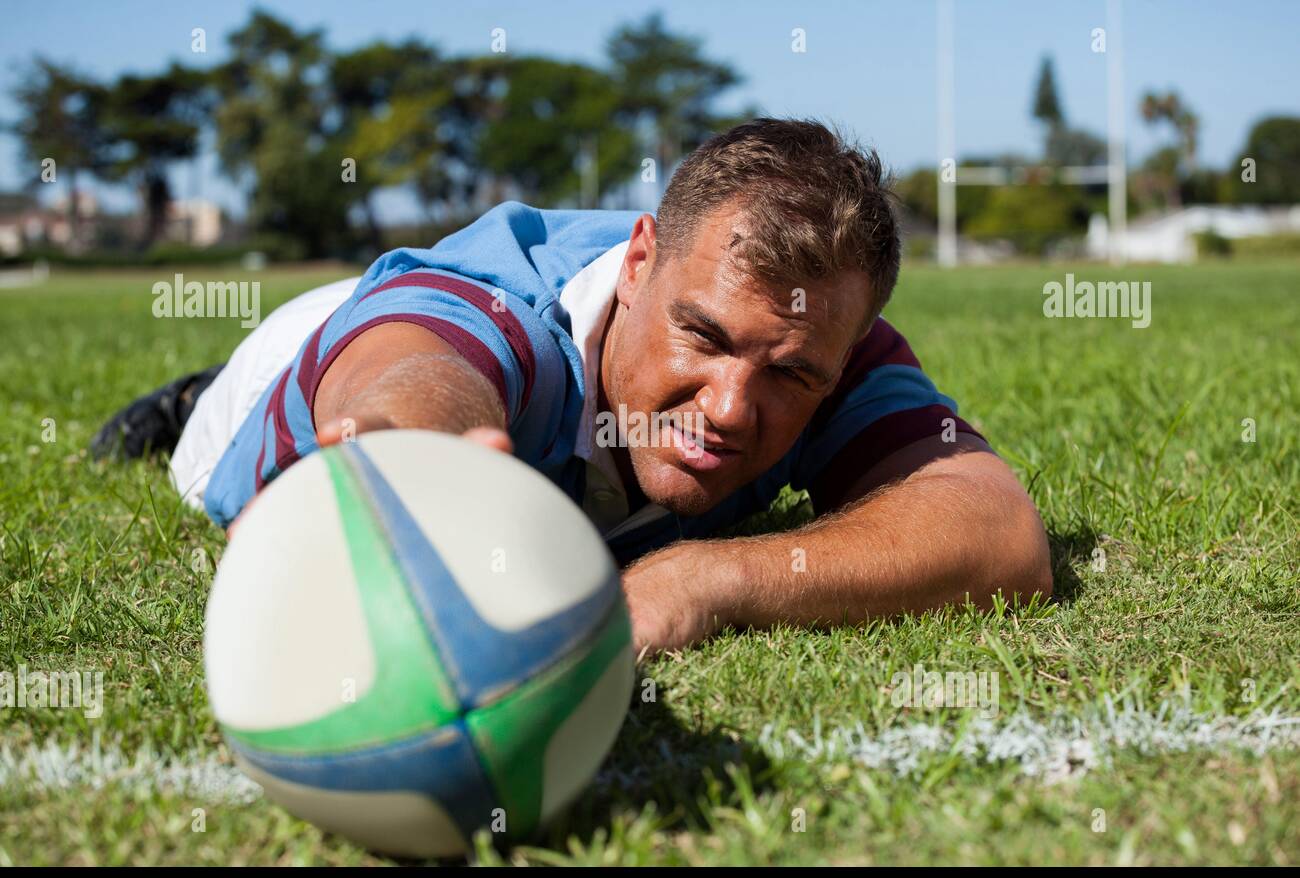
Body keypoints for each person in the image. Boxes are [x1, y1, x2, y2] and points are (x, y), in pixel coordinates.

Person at [92, 118, 1052, 652]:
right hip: (313, 342)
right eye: (702, 337)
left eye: (790, 374)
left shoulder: (816, 334)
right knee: (322, 359)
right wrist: (412, 455)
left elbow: (997, 530)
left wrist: (707, 578)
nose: (728, 407)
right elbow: (419, 367)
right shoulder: (500, 313)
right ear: (638, 266)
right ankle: (189, 391)